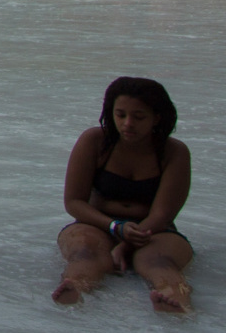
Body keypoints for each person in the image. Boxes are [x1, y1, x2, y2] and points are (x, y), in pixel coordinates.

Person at [53, 77, 194, 311]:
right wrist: (115, 227)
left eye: (139, 117)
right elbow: (74, 202)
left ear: (156, 118)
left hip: (154, 230)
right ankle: (75, 288)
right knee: (86, 254)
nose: (128, 123)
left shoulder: (173, 152)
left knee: (158, 263)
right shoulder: (95, 141)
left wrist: (128, 244)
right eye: (120, 115)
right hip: (97, 223)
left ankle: (176, 301)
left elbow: (163, 213)